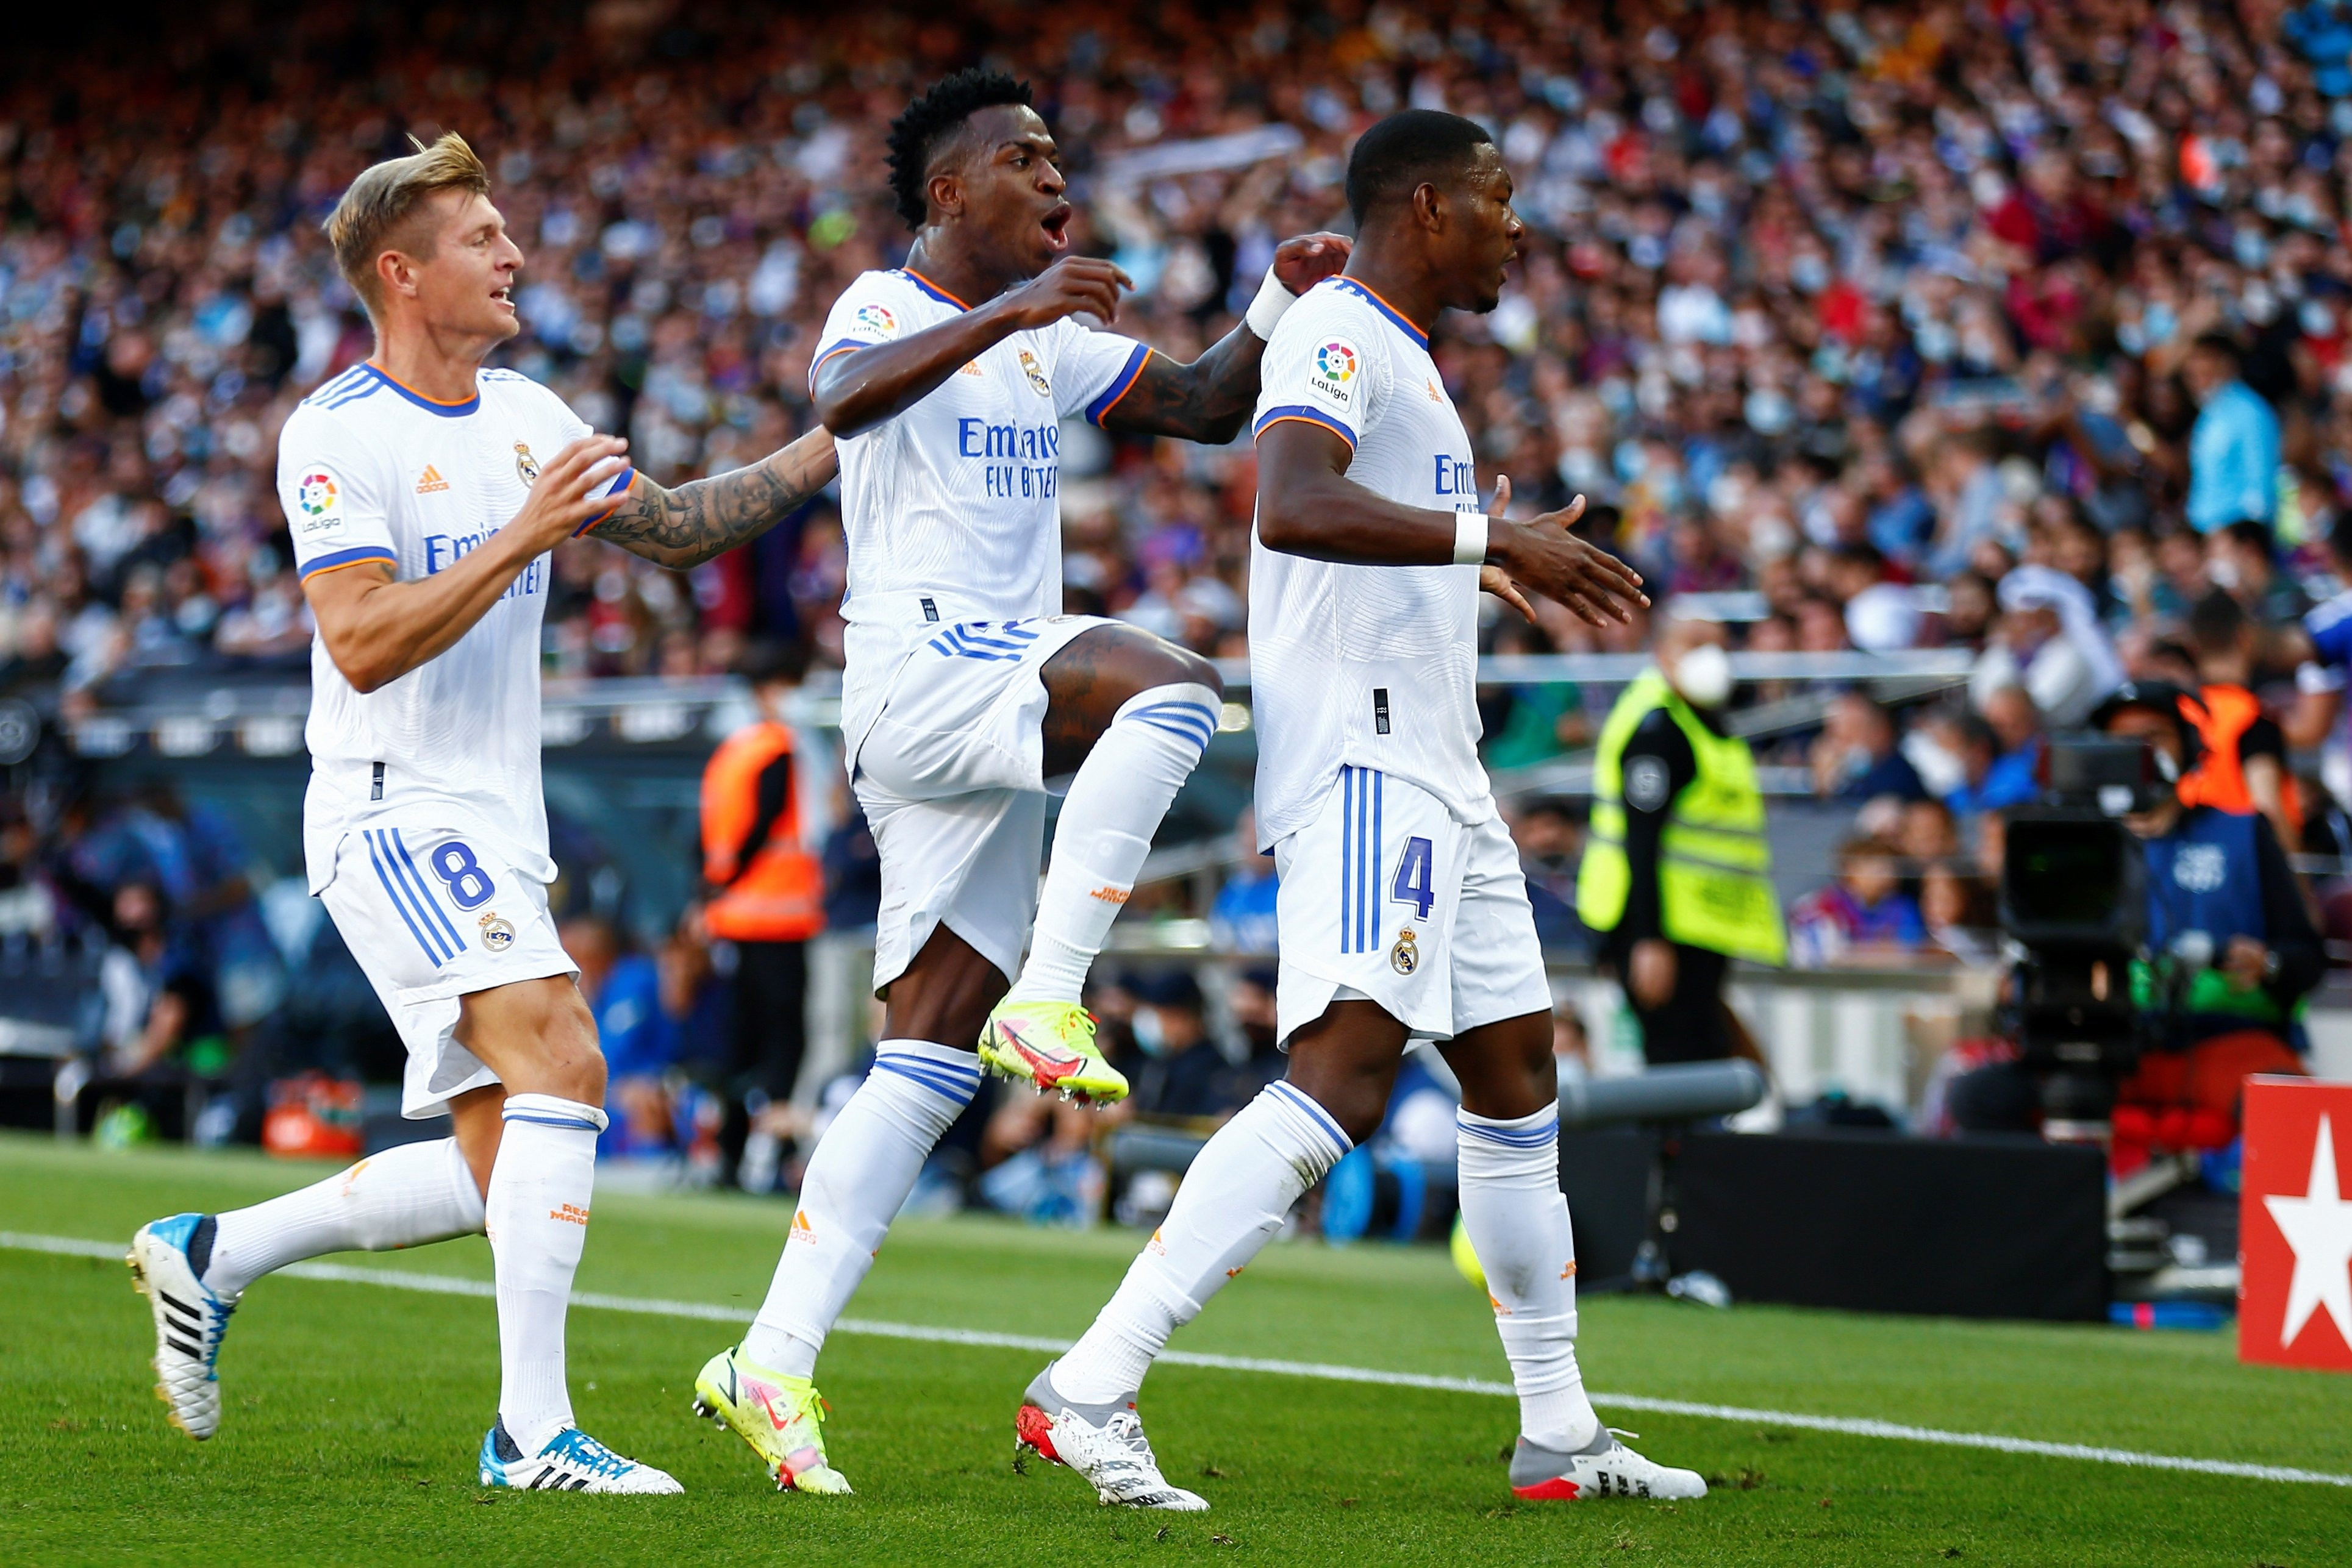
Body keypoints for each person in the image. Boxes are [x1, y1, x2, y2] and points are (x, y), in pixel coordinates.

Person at [126, 134, 837, 1492]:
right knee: (567, 1062)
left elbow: (678, 525)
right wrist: (520, 532)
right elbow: (363, 640)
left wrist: (833, 440)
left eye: (508, 234)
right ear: (400, 272)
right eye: (482, 238)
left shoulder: (527, 410)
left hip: (495, 821)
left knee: (504, 1156)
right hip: (391, 808)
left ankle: (216, 1252)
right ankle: (528, 1433)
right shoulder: (336, 430)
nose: (513, 256)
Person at [1022, 110, 1694, 1513]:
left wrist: (1470, 560)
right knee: (1341, 1075)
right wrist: (1483, 536)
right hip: (1369, 766)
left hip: (1445, 773)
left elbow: (1371, 539)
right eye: (1500, 197)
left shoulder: (1412, 363)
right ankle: (1091, 1381)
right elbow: (1293, 499)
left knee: (1517, 1081)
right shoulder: (1337, 327)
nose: (1518, 226)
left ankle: (1557, 1431)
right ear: (1429, 204)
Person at [691, 69, 1351, 1495]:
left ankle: (768, 1358)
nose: (1057, 179)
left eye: (1057, 160)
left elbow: (1197, 405)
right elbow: (845, 399)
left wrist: (1278, 308)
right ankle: (1054, 996)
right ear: (949, 192)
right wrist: (1013, 314)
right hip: (925, 665)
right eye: (1024, 158)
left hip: (979, 703)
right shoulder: (887, 304)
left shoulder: (1038, 336)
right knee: (1174, 681)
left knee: (924, 1055)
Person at [1948, 682, 2319, 1147]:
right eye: (2120, 740)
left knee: (2293, 1111)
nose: (2137, 752)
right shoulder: (2064, 843)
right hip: (2102, 1048)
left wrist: (2265, 963)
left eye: (2153, 736)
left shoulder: (2241, 832)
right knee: (1979, 1097)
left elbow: (2307, 959)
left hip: (2222, 1041)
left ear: (2188, 746)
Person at [1579, 612, 1786, 1066]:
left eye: (1719, 646)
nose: (1710, 658)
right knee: (1676, 1062)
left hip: (1698, 924)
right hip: (1658, 927)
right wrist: (1649, 940)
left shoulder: (1702, 721)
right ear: (1662, 655)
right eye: (1694, 645)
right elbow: (1641, 838)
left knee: (1703, 1055)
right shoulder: (1657, 729)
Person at [700, 639, 827, 1181]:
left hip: (734, 916)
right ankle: (770, 1153)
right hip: (780, 917)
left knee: (737, 1038)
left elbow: (711, 833)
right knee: (783, 1040)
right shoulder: (779, 747)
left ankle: (726, 1154)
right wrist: (733, 877)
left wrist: (714, 889)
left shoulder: (733, 751)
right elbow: (768, 821)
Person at [2176, 590, 2301, 850]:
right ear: (2246, 637)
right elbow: (2268, 810)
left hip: (2183, 864)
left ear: (2193, 645)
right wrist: (2296, 885)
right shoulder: (2252, 718)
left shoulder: (2178, 713)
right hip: (2240, 868)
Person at [2181, 333, 2281, 535]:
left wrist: (2250, 535)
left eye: (2206, 373)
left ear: (2227, 366)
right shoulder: (2209, 414)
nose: (2199, 382)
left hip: (2237, 536)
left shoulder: (2250, 412)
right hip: (2210, 534)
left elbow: (2261, 482)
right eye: (2193, 376)